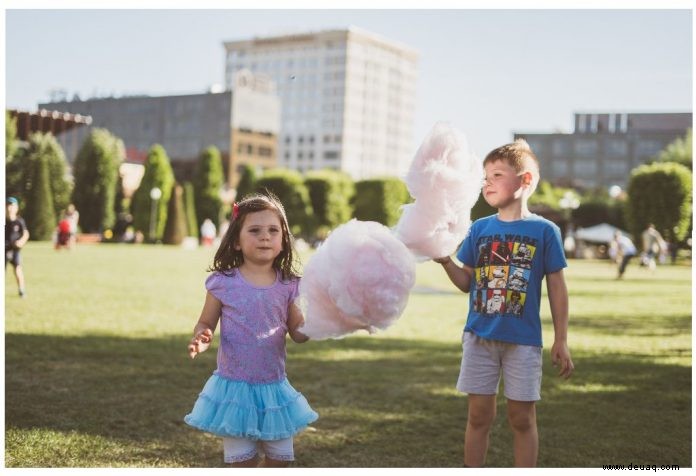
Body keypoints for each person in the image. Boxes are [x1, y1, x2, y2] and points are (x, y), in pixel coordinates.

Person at [433, 139, 573, 467]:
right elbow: (467, 282)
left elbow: (557, 288)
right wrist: (446, 262)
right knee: (479, 416)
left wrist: (561, 339)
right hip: (479, 338)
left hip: (523, 343)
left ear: (525, 181)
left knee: (521, 419)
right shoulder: (479, 229)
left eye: (497, 174)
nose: (487, 182)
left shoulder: (545, 231)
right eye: (485, 176)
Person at [184, 193, 318, 467]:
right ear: (236, 240)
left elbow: (299, 334)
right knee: (241, 464)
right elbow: (206, 322)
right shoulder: (223, 283)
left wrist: (322, 321)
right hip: (234, 391)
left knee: (280, 461)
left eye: (273, 230)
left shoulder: (289, 285)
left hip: (274, 390)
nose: (265, 237)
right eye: (254, 230)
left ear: (283, 240)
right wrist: (202, 336)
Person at [5, 197, 30, 297]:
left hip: (15, 250)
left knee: (17, 269)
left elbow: (26, 233)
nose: (9, 208)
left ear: (16, 208)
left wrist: (21, 242)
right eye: (8, 205)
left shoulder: (19, 221)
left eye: (12, 205)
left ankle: (21, 290)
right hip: (4, 249)